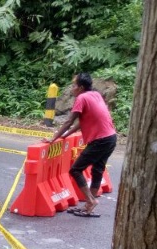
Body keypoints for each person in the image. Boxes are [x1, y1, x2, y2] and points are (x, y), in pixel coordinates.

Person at [44, 72, 117, 217]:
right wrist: (65, 136)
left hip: (100, 140)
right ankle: (89, 205)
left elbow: (69, 121)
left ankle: (90, 200)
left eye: (74, 85)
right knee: (97, 170)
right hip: (111, 138)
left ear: (81, 87)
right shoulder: (95, 95)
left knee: (75, 170)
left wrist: (54, 138)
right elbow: (81, 123)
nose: (72, 88)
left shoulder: (81, 98)